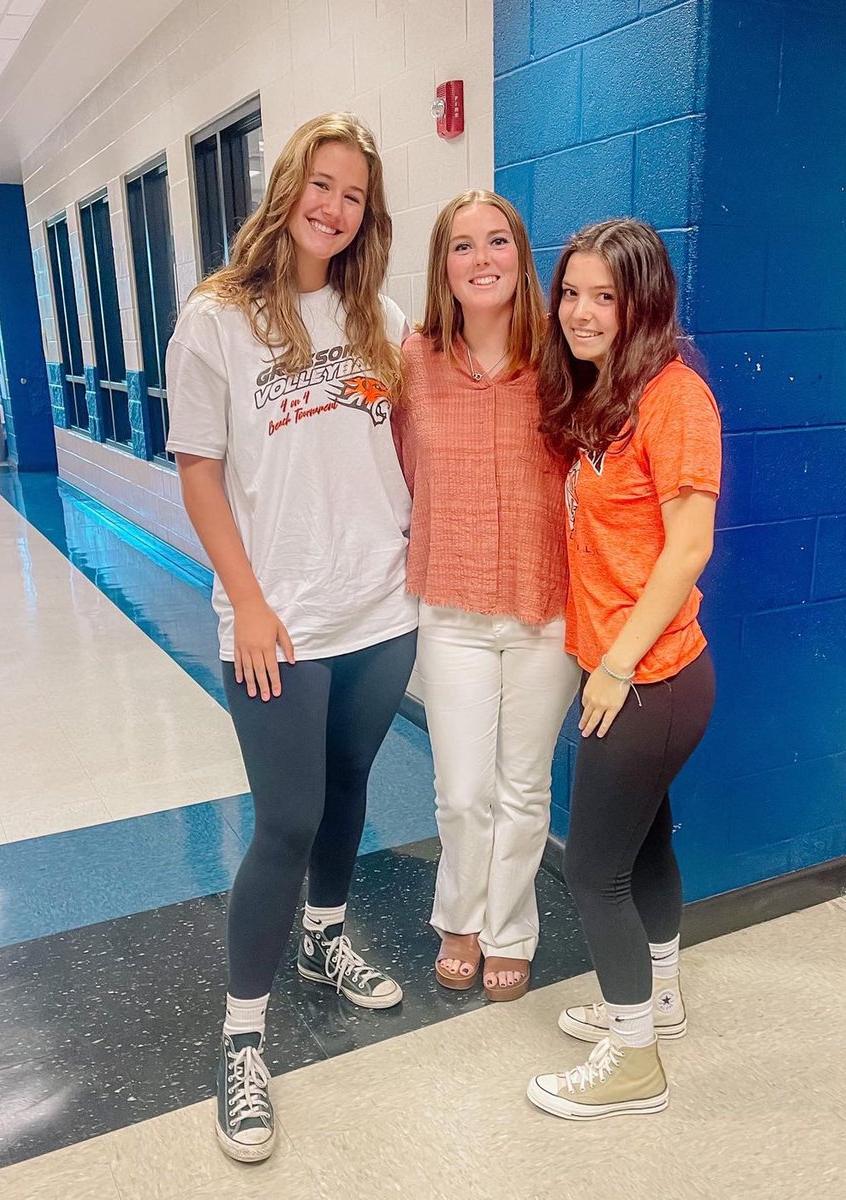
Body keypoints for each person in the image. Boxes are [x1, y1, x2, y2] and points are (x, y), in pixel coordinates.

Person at [165, 113, 417, 1163]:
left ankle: (323, 940)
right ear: (287, 189)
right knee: (285, 817)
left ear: (367, 215)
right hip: (278, 618)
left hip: (379, 606)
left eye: (353, 194)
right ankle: (241, 1036)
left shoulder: (382, 315)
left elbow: (410, 442)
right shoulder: (217, 319)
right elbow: (198, 469)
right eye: (321, 184)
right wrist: (249, 600)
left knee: (351, 782)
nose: (333, 206)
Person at [525, 219, 721, 1119]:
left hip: (648, 679)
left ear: (642, 302)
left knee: (590, 871)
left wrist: (611, 666)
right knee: (645, 842)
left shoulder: (675, 396)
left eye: (605, 295)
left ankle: (634, 1059)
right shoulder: (606, 397)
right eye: (571, 292)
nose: (581, 311)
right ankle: (662, 996)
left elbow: (687, 549)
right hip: (641, 674)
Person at [394, 190, 580, 1003]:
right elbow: (395, 471)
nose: (482, 260)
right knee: (462, 788)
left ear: (520, 255)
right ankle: (457, 916)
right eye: (462, 246)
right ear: (444, 266)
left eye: (496, 242)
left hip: (546, 609)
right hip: (452, 609)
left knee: (523, 788)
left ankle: (509, 930)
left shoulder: (560, 359)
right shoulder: (412, 362)